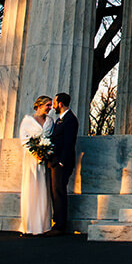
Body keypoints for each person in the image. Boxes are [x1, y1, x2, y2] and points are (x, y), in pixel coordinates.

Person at [18, 95, 54, 236]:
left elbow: (51, 139)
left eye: (51, 105)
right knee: (31, 188)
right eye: (48, 105)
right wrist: (35, 153)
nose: (50, 108)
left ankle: (43, 225)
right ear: (39, 105)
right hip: (31, 160)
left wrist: (46, 153)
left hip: (45, 160)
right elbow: (24, 140)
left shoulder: (50, 121)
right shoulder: (28, 121)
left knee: (43, 190)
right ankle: (30, 225)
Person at [45, 92, 78, 236]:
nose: (53, 106)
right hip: (55, 162)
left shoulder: (70, 119)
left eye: (54, 103)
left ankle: (60, 226)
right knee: (56, 192)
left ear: (60, 104)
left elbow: (69, 143)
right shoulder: (60, 120)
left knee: (59, 193)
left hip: (62, 163)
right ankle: (57, 222)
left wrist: (61, 162)